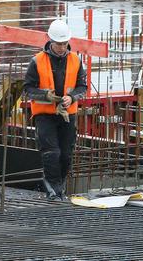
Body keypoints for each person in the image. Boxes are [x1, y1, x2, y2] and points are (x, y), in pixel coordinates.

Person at [23, 19, 87, 200]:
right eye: (59, 44)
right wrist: (46, 96)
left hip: (67, 115)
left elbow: (82, 86)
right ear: (51, 41)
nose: (61, 47)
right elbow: (28, 88)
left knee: (66, 154)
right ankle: (53, 191)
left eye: (65, 43)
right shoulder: (37, 61)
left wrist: (72, 97)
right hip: (45, 115)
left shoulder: (75, 60)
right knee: (51, 153)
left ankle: (59, 187)